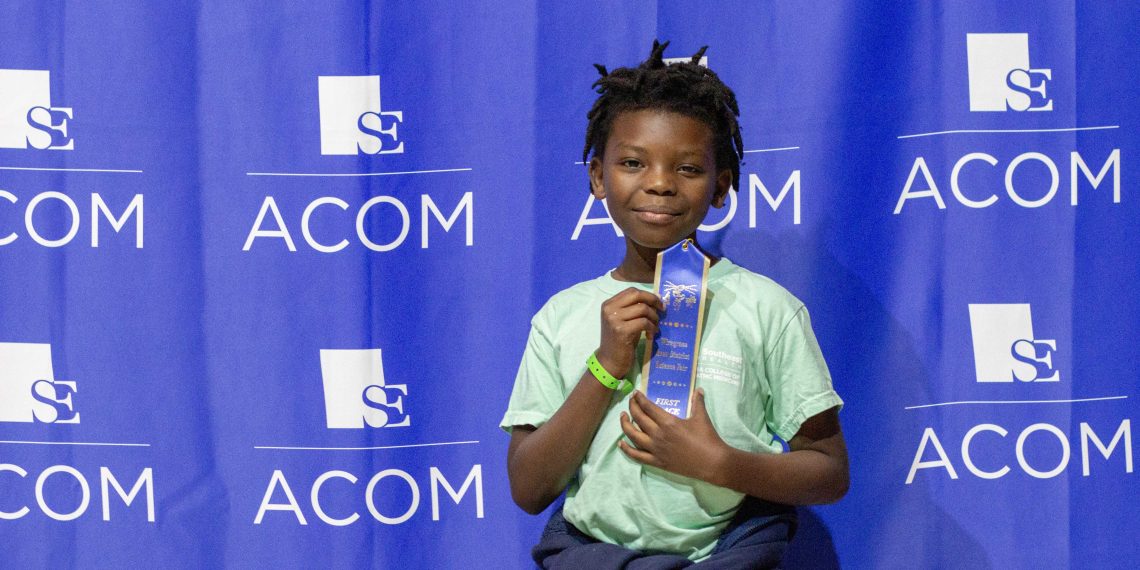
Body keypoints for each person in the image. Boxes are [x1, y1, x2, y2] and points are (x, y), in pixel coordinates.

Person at [501, 40, 848, 569]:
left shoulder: (768, 309)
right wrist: (606, 365)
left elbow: (829, 472)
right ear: (598, 177)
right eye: (632, 163)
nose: (660, 183)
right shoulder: (561, 316)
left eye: (687, 168)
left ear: (721, 187)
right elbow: (529, 489)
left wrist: (718, 463)